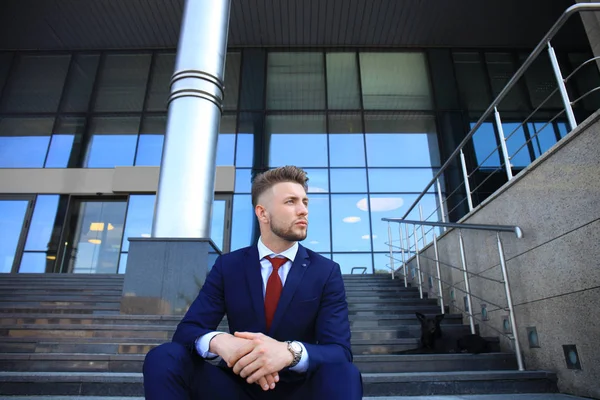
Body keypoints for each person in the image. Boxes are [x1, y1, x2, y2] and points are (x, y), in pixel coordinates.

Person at [143, 165, 363, 399]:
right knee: (163, 357)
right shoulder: (228, 266)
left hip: (298, 390)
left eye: (305, 202)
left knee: (345, 373)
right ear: (262, 213)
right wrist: (220, 341)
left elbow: (339, 351)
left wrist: (290, 352)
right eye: (291, 202)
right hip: (236, 387)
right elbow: (187, 331)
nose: (303, 211)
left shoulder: (326, 271)